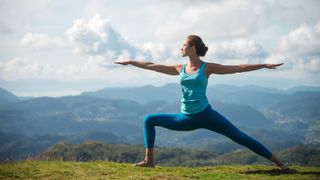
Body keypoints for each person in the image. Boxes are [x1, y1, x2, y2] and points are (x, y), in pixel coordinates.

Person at [114, 35, 288, 170]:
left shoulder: (208, 68)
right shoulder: (179, 68)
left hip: (206, 115)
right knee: (149, 120)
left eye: (183, 45)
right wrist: (130, 62)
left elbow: (237, 68)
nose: (180, 48)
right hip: (186, 118)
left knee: (240, 137)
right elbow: (152, 65)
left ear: (193, 48)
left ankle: (280, 164)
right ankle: (149, 161)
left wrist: (264, 65)